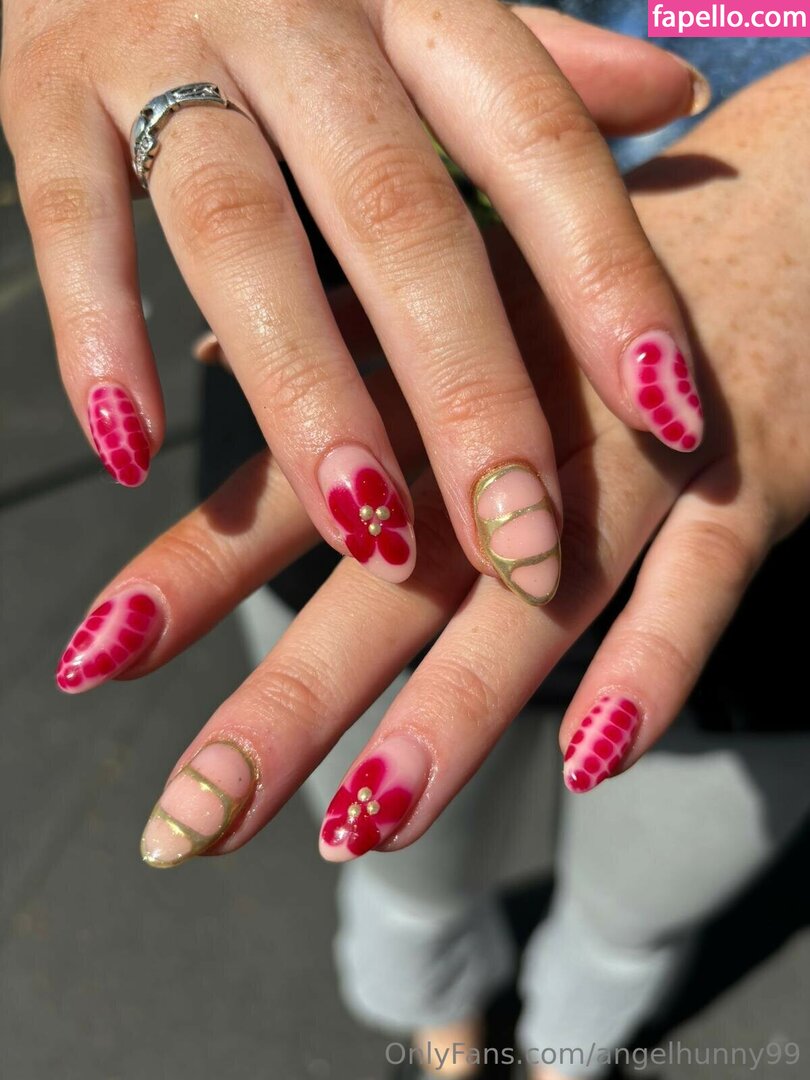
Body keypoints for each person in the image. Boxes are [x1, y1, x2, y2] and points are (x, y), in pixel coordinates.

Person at [5, 2, 809, 1077]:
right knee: (398, 863)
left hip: (777, 484)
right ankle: (441, 1027)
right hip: (346, 383)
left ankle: (567, 1051)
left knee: (637, 915)